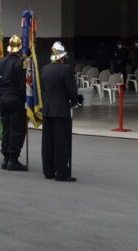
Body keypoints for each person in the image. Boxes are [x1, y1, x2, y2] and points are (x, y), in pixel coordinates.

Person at [41, 40, 81, 182]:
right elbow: (71, 90)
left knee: (48, 142)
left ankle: (48, 171)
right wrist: (76, 101)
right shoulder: (66, 69)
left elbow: (44, 90)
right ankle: (62, 173)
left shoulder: (45, 69)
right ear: (62, 57)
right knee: (61, 143)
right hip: (61, 110)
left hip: (47, 109)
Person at [0, 34, 27, 171]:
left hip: (2, 98)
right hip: (15, 99)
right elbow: (22, 86)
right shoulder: (20, 64)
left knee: (6, 127)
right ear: (19, 49)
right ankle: (13, 158)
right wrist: (25, 99)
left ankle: (6, 157)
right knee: (17, 129)